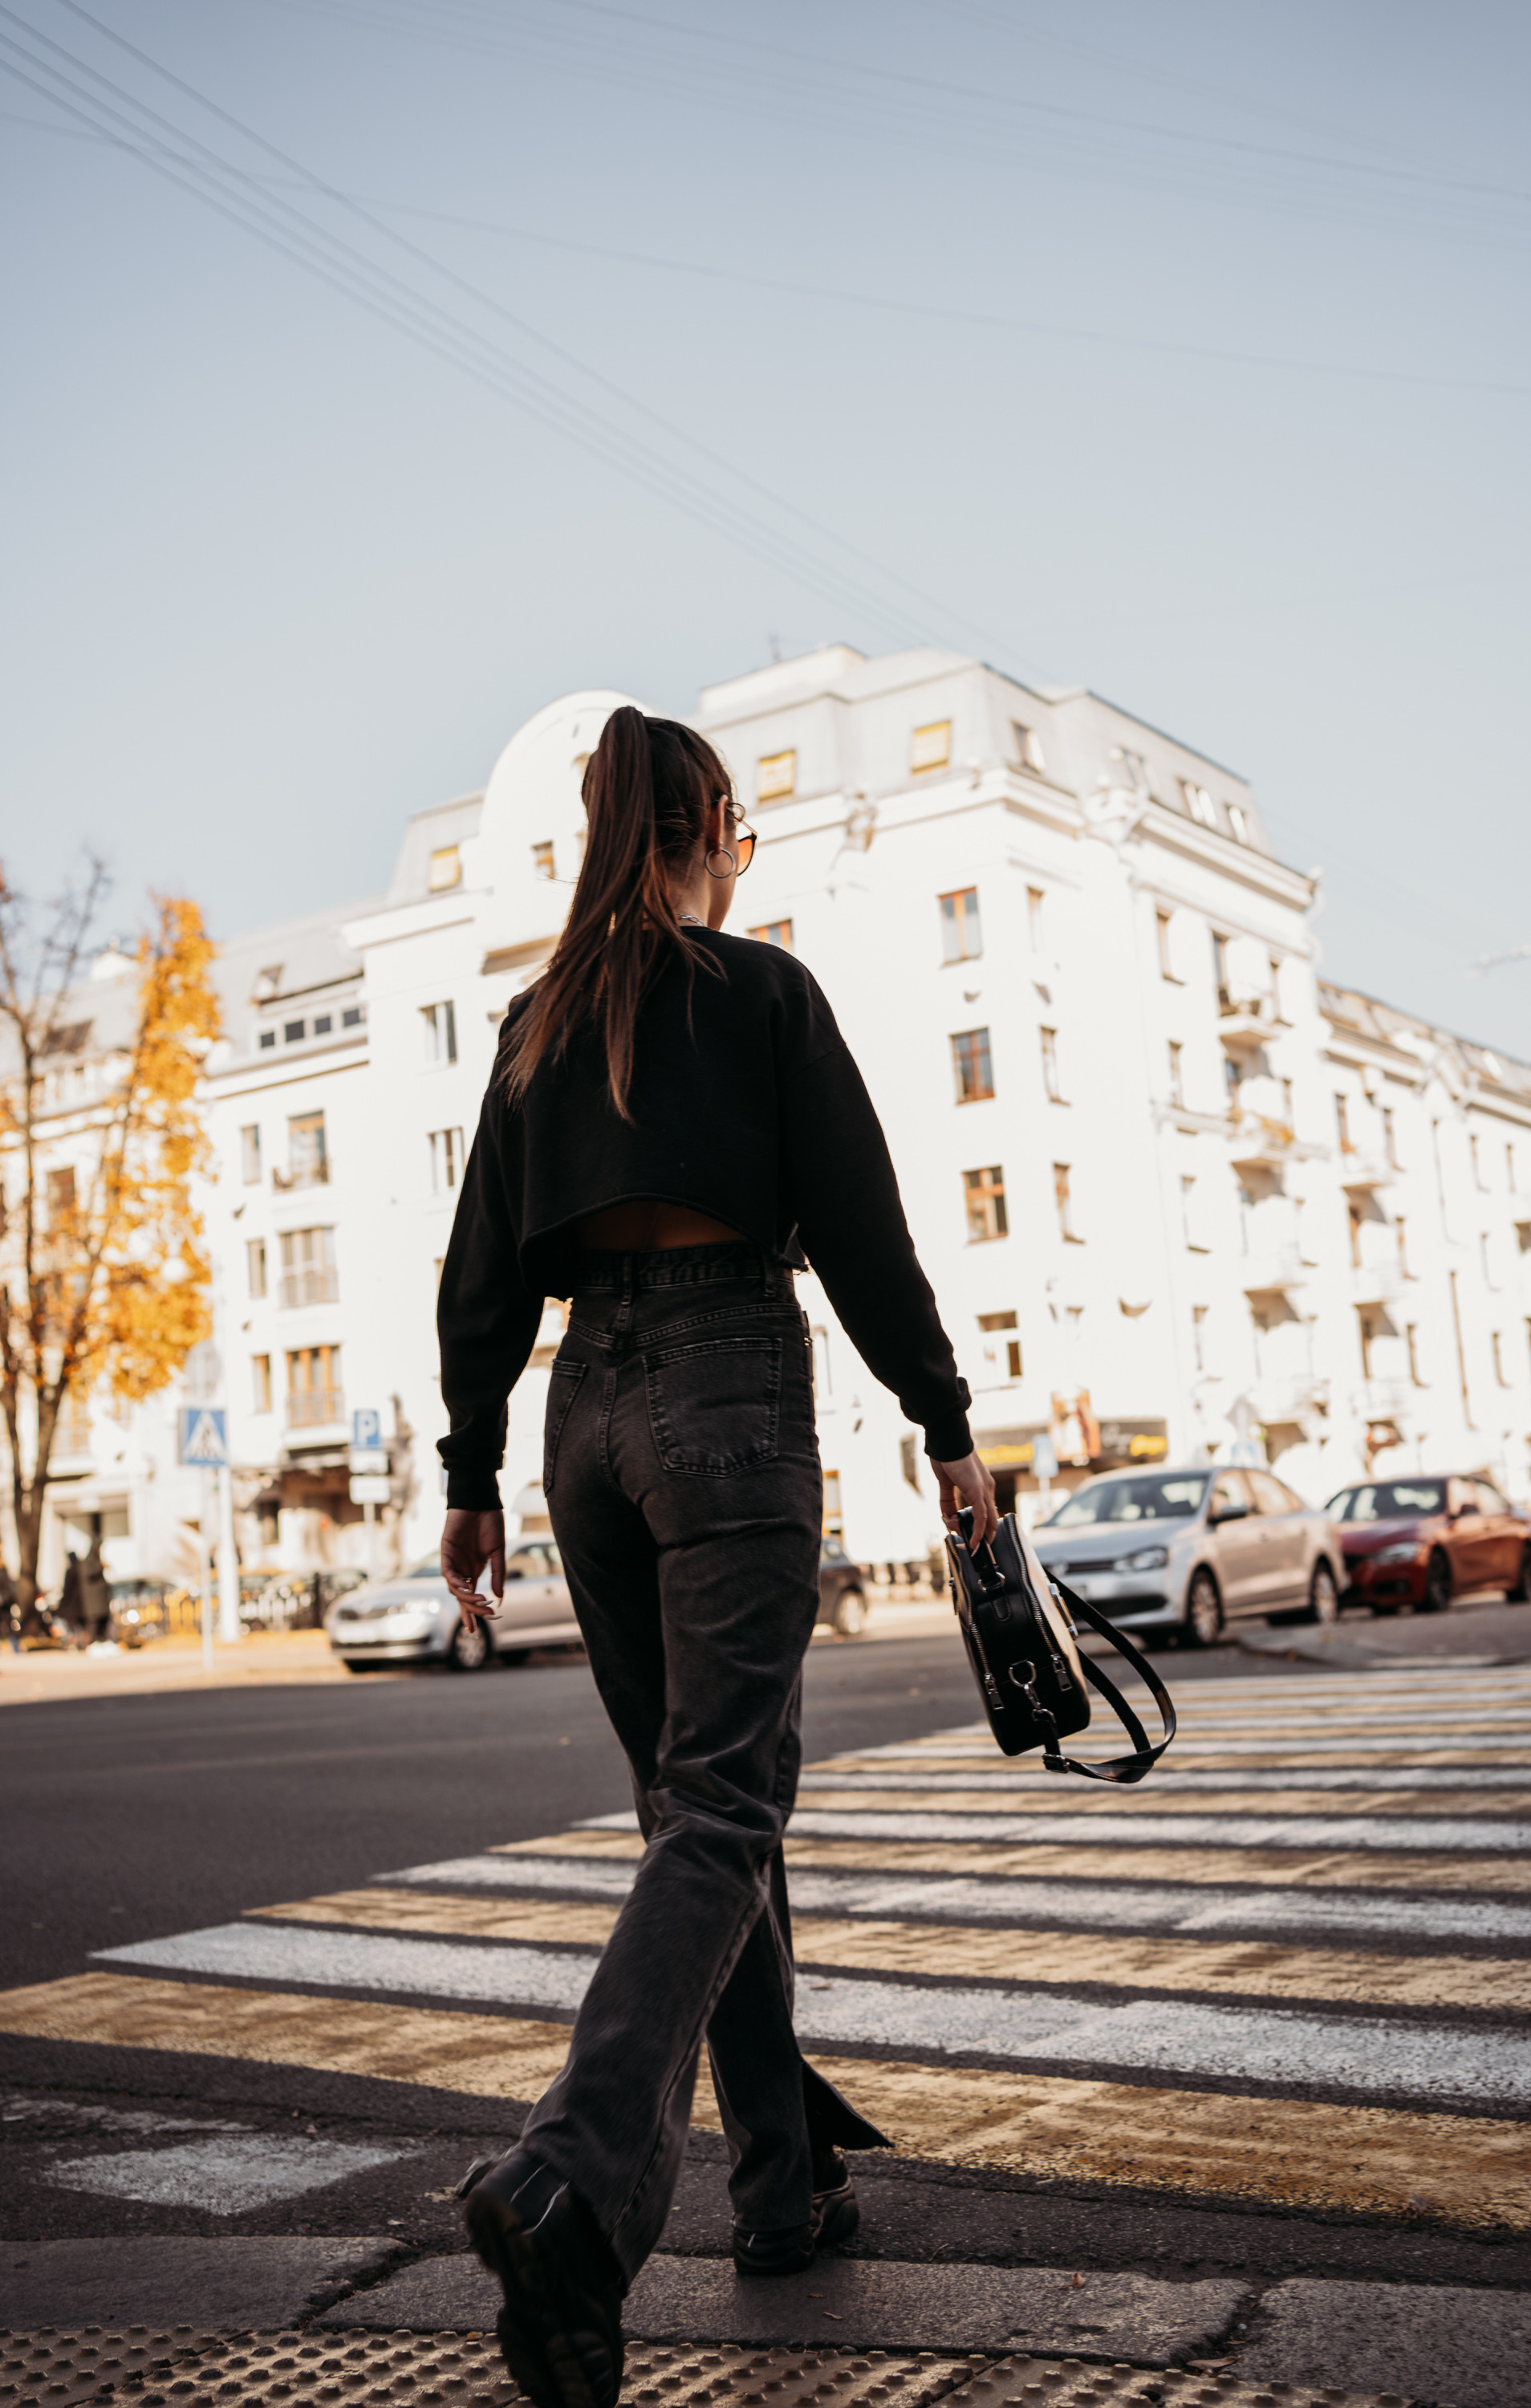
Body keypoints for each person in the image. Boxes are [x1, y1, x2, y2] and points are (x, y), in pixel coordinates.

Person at [436, 706, 996, 2408]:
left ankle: (777, 2185)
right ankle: (572, 2184)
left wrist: (467, 1472)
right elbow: (864, 1224)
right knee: (728, 1804)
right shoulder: (757, 994)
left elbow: (475, 1279)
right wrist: (948, 1421)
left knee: (702, 1808)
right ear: (701, 828)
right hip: (726, 1388)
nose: (738, 870)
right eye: (737, 842)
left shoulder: (539, 1023)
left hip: (578, 1421)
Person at [83, 1538, 112, 1646]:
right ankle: (92, 1643)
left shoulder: (96, 1559)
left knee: (104, 1622)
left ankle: (103, 1642)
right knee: (94, 1623)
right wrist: (101, 1566)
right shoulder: (89, 1561)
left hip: (101, 1599)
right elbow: (89, 1573)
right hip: (94, 1601)